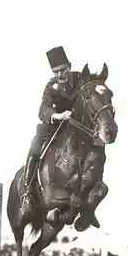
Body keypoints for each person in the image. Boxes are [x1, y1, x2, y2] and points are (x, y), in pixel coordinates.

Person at [21, 46, 82, 217]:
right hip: (57, 126)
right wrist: (58, 115)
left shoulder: (81, 80)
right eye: (56, 72)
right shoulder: (51, 86)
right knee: (36, 144)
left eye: (63, 70)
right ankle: (27, 191)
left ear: (69, 66)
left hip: (79, 127)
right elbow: (43, 111)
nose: (60, 75)